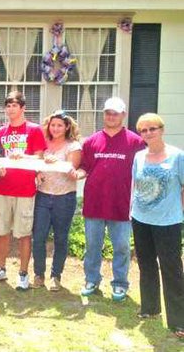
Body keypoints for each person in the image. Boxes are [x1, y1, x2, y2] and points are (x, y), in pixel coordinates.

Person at [78, 97, 144, 301]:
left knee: (122, 247)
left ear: (123, 115)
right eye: (108, 112)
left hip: (122, 205)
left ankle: (120, 283)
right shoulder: (91, 141)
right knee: (92, 245)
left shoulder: (136, 142)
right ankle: (91, 279)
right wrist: (76, 174)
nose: (111, 116)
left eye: (115, 113)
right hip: (94, 203)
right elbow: (84, 168)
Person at [131, 113, 184, 338]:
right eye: (143, 130)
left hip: (168, 221)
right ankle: (150, 308)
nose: (148, 133)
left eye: (152, 128)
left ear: (161, 130)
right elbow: (136, 184)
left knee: (172, 269)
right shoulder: (138, 157)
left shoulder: (177, 156)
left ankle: (179, 321)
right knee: (146, 265)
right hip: (141, 219)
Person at [0, 91, 46, 291]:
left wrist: (24, 157)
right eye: (8, 105)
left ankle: (23, 273)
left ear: (23, 108)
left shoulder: (34, 130)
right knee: (2, 231)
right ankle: (0, 269)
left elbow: (40, 158)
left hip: (25, 189)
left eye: (15, 105)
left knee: (23, 233)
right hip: (4, 189)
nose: (11, 109)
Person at [32, 111, 81, 291]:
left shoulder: (73, 146)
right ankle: (38, 274)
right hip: (43, 195)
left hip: (64, 197)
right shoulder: (43, 143)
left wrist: (54, 162)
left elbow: (71, 168)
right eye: (53, 125)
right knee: (38, 237)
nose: (56, 128)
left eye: (60, 125)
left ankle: (56, 276)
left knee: (61, 238)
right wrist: (39, 171)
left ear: (67, 127)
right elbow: (35, 163)